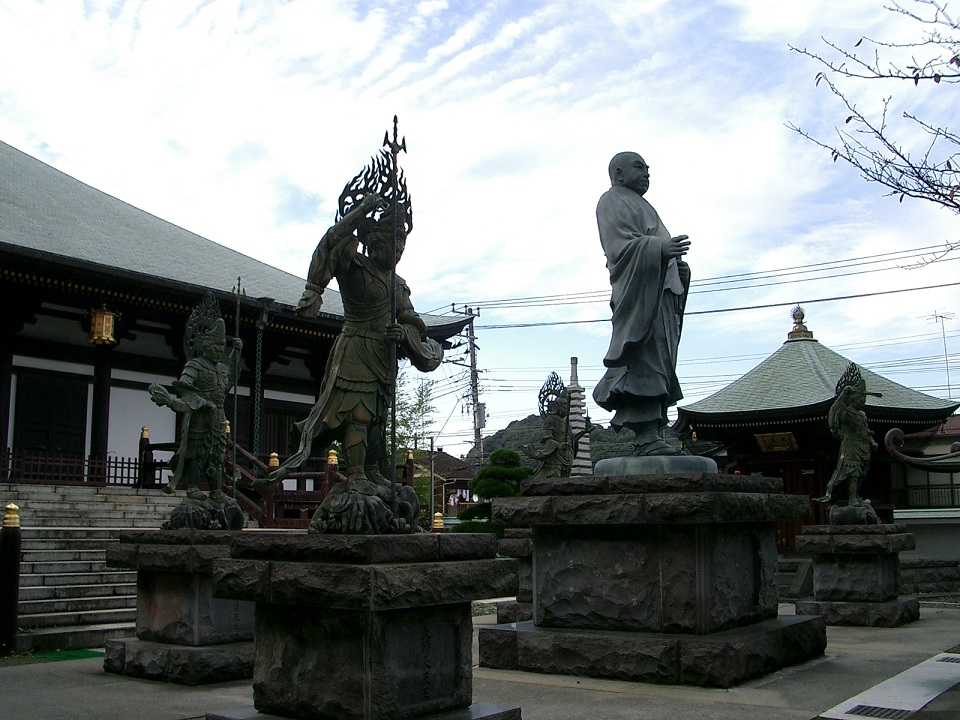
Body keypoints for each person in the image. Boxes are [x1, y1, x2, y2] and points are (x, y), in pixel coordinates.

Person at [265, 192, 442, 490]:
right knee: (356, 413)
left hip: (382, 357)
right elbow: (329, 245)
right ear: (375, 241)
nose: (398, 250)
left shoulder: (398, 284)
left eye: (402, 244)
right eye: (393, 242)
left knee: (377, 418)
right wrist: (361, 210)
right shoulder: (355, 265)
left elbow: (412, 320)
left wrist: (405, 334)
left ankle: (372, 470)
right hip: (355, 348)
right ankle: (356, 473)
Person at [592, 152, 691, 456]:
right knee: (643, 359)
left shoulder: (645, 205)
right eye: (639, 167)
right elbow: (619, 248)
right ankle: (645, 437)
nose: (647, 173)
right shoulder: (611, 201)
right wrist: (660, 248)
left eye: (648, 168)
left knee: (661, 360)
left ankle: (656, 433)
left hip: (661, 293)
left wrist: (678, 267)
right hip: (640, 296)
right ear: (618, 174)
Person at [149, 292, 242, 502]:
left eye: (221, 347)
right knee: (197, 453)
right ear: (204, 345)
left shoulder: (221, 368)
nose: (219, 351)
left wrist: (236, 354)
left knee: (217, 455)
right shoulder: (195, 365)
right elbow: (184, 387)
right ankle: (192, 487)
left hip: (218, 416)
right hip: (201, 415)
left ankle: (216, 491)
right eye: (215, 347)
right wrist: (202, 402)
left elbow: (228, 384)